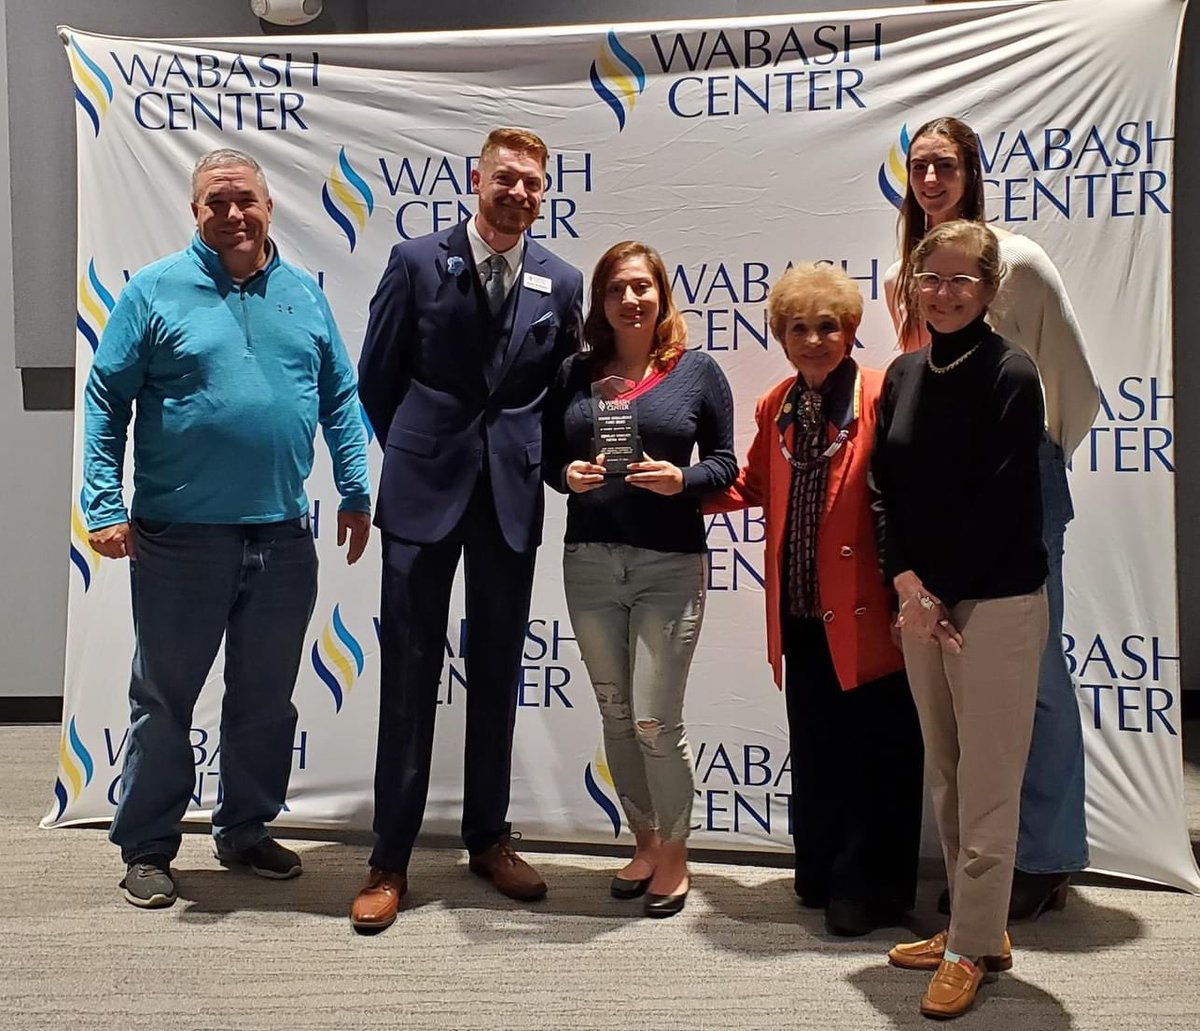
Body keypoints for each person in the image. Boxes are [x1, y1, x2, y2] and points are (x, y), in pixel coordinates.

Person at [83, 148, 372, 909]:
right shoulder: (153, 292)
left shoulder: (302, 299)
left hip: (280, 536)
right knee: (166, 696)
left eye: (245, 199)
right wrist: (102, 503)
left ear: (270, 208)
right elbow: (106, 400)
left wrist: (354, 487)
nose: (232, 213)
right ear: (195, 212)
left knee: (266, 698)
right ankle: (146, 843)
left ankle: (244, 828)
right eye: (216, 201)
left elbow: (341, 396)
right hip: (181, 537)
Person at [354, 127, 583, 932]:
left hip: (511, 499)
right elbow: (375, 381)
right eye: (507, 179)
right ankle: (389, 858)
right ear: (476, 179)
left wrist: (554, 468)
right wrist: (421, 452)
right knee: (410, 675)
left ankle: (489, 836)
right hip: (423, 493)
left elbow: (560, 402)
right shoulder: (416, 261)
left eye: (534, 184)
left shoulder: (563, 280)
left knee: (496, 669)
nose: (519, 193)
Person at [885, 116, 1100, 920]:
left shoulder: (1020, 262)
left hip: (1020, 486)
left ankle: (1043, 858)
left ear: (973, 171)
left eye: (945, 165)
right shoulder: (907, 270)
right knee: (955, 682)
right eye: (918, 167)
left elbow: (1070, 386)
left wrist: (1031, 461)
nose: (931, 180)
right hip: (936, 496)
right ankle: (983, 860)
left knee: (1033, 676)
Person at [704, 264, 923, 936]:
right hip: (801, 615)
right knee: (821, 748)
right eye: (799, 327)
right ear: (782, 335)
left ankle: (872, 886)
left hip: (870, 613)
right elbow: (749, 485)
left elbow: (907, 500)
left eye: (828, 326)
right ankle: (822, 870)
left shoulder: (883, 393)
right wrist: (671, 490)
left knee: (879, 755)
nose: (814, 339)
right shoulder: (777, 403)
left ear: (851, 330)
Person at [873, 221, 1048, 1019]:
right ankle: (974, 927)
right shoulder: (904, 373)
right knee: (943, 770)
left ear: (989, 290)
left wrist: (937, 591)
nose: (943, 294)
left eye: (960, 281)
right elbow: (885, 492)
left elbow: (1004, 503)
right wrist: (909, 582)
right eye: (930, 278)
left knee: (987, 783)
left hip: (997, 601)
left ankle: (971, 944)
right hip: (923, 601)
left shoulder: (1012, 374)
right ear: (913, 282)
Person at [543, 241, 736, 916]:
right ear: (601, 300)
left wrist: (683, 478)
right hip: (590, 561)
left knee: (656, 719)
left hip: (668, 565)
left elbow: (725, 464)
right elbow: (548, 457)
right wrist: (566, 474)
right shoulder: (574, 371)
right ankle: (646, 841)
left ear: (662, 296)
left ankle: (677, 855)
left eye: (642, 287)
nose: (630, 299)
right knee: (617, 716)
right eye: (618, 288)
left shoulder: (697, 371)